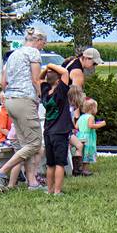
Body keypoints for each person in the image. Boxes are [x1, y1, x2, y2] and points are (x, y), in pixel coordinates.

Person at [0, 28, 48, 193]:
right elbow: (36, 79)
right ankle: (1, 172)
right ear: (38, 40)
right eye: (44, 43)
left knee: (25, 144)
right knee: (35, 143)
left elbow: (3, 82)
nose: (43, 47)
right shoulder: (33, 53)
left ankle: (32, 183)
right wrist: (42, 96)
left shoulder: (14, 54)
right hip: (25, 100)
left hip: (10, 101)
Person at [39, 63, 72, 195]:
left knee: (50, 163)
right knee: (60, 163)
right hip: (60, 131)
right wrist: (50, 66)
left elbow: (39, 79)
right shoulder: (60, 91)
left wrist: (46, 71)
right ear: (58, 81)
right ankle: (57, 191)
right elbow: (65, 73)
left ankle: (49, 189)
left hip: (48, 132)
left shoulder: (45, 92)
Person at [76, 98, 105, 175]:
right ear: (92, 108)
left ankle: (79, 168)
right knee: (87, 152)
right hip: (88, 137)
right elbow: (90, 126)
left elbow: (76, 126)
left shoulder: (81, 117)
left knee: (82, 152)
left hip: (80, 136)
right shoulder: (91, 117)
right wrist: (101, 124)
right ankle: (85, 170)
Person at [67, 84, 86, 176]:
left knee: (78, 145)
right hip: (65, 132)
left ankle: (77, 169)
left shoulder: (71, 107)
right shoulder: (68, 107)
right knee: (78, 145)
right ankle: (76, 169)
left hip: (68, 132)